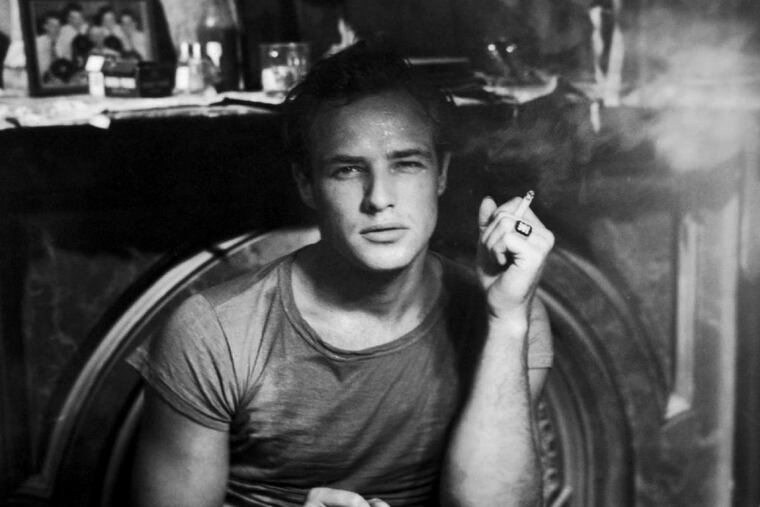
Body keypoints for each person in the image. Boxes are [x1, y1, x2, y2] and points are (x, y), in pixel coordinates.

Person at [129, 41, 554, 507]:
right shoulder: (213, 333)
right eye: (348, 170)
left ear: (441, 174)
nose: (379, 198)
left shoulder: (509, 313)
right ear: (307, 183)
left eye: (406, 163)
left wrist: (506, 320)